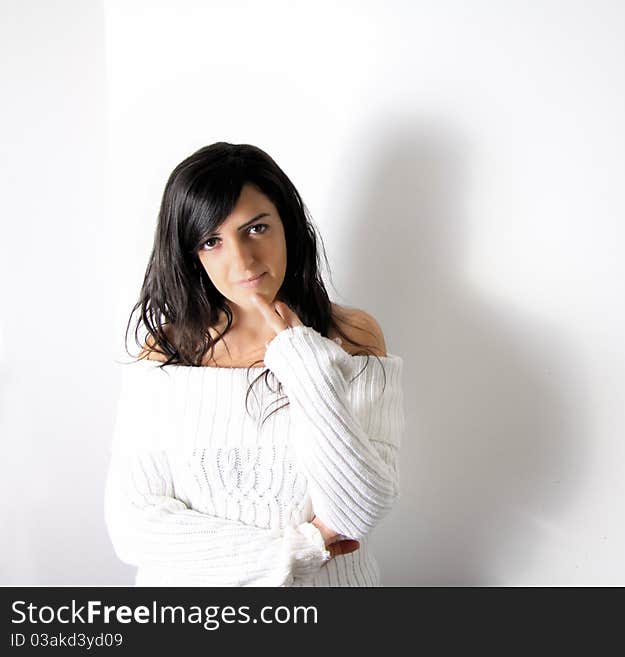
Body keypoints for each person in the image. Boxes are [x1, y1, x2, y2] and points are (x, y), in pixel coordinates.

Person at [104, 142, 404, 586]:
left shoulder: (352, 338)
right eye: (212, 240)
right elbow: (134, 528)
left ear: (288, 227)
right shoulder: (166, 353)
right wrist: (302, 548)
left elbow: (356, 511)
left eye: (257, 228)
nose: (241, 260)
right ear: (191, 254)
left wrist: (302, 358)